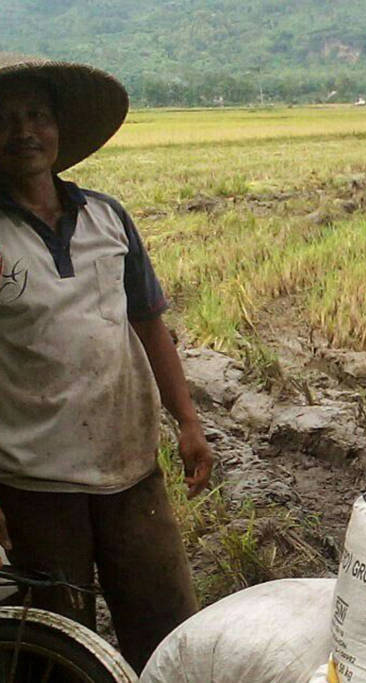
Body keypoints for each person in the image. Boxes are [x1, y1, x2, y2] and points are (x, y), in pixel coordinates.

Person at [0, 56, 213, 672]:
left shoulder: (106, 215)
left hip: (131, 468)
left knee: (169, 632)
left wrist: (188, 421)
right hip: (35, 485)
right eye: (6, 119)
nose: (24, 132)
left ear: (58, 128)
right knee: (55, 649)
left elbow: (149, 322)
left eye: (36, 115)